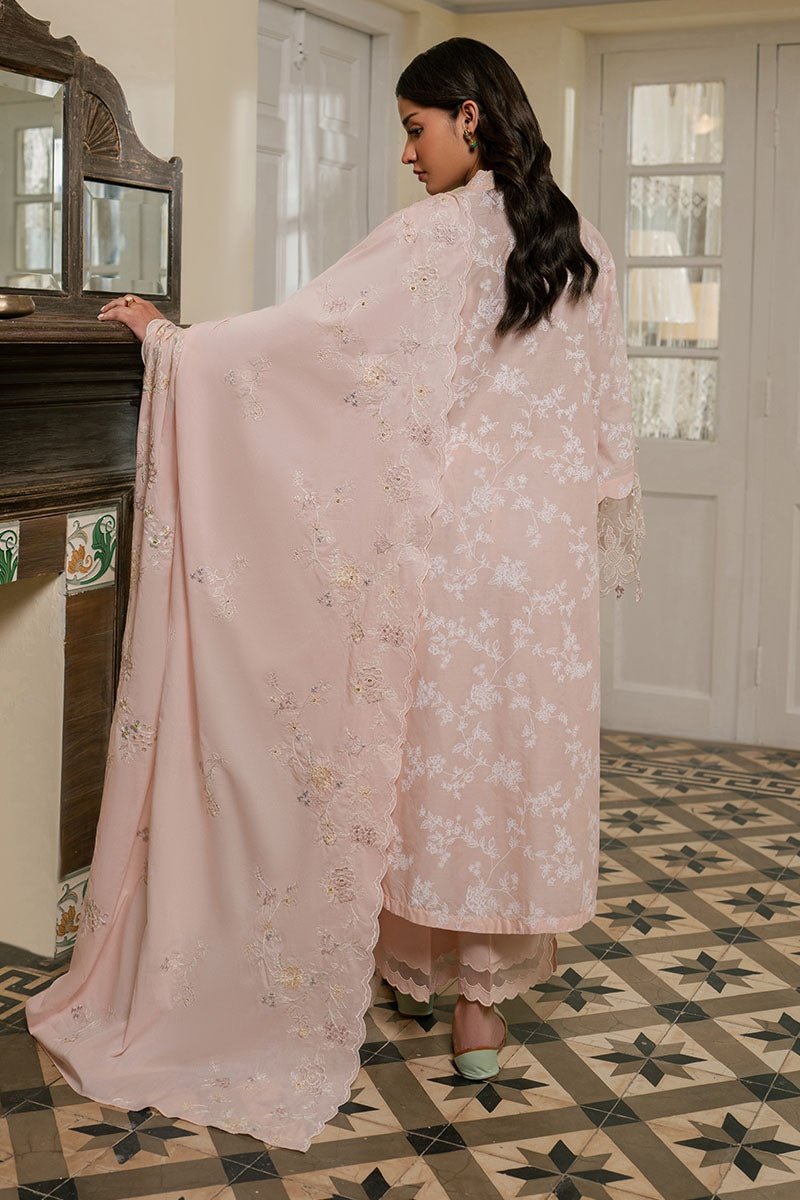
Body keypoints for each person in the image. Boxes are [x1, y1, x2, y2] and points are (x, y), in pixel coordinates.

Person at [26, 38, 643, 1151]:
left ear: (469, 116)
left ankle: (414, 973)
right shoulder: (582, 244)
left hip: (448, 563)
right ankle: (476, 1008)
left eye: (415, 129)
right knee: (504, 771)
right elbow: (605, 433)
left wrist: (175, 344)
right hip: (542, 583)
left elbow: (308, 342)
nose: (407, 154)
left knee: (426, 767)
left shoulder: (436, 237)